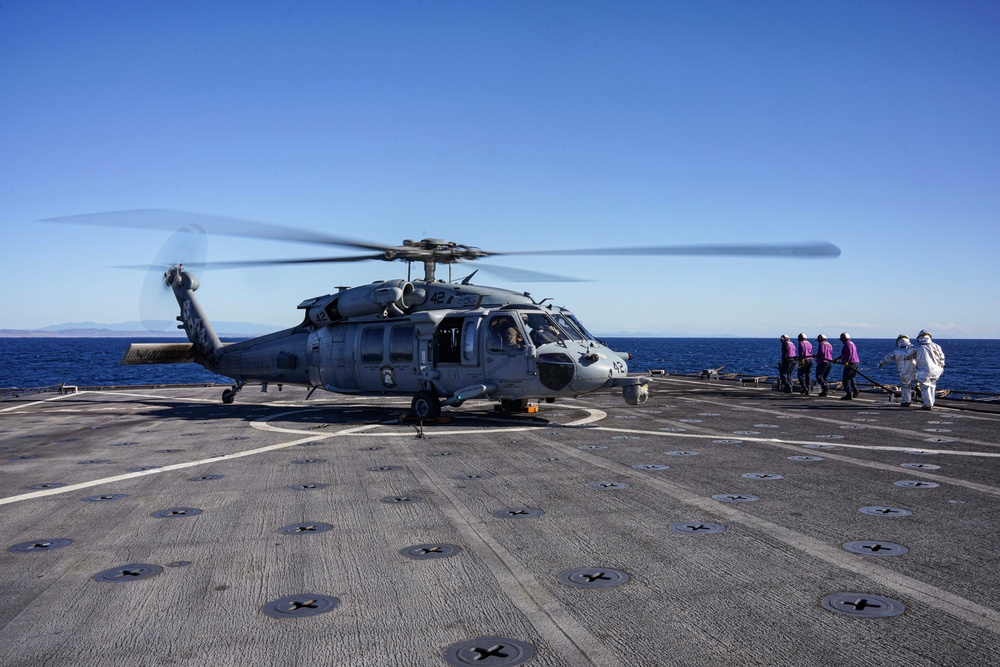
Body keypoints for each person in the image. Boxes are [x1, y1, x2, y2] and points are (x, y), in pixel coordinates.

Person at [905, 330, 945, 410]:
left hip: (924, 370)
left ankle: (927, 404)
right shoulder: (937, 346)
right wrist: (941, 368)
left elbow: (907, 356)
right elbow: (942, 358)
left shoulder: (917, 347)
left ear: (919, 338)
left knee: (925, 387)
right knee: (933, 386)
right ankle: (932, 403)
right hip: (936, 370)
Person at [878, 335, 917, 407]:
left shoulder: (896, 351)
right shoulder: (914, 349)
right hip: (915, 370)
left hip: (903, 371)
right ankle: (927, 401)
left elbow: (887, 358)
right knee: (921, 384)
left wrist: (880, 364)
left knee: (906, 386)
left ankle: (906, 401)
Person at [838, 332, 860, 400]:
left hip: (851, 363)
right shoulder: (852, 343)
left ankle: (848, 394)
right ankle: (855, 390)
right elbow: (847, 354)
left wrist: (847, 361)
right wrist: (838, 358)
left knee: (846, 379)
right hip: (856, 362)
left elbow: (849, 354)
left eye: (841, 339)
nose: (841, 341)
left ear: (844, 339)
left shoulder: (847, 345)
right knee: (852, 377)